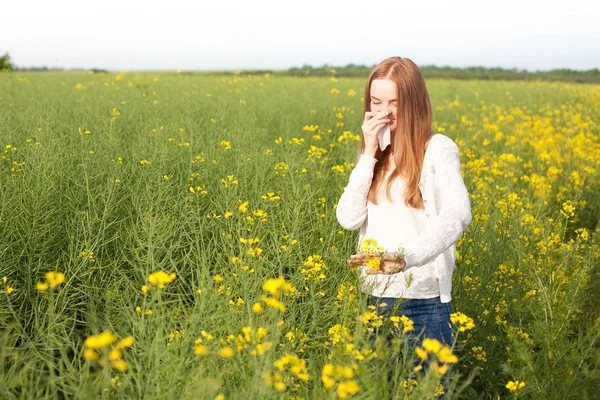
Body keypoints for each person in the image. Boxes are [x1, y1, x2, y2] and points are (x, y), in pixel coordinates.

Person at [335, 57, 472, 397]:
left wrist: (405, 257)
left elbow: (458, 213)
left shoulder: (437, 150)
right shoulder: (375, 154)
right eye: (376, 102)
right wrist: (367, 153)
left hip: (422, 303)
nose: (384, 111)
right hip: (373, 299)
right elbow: (347, 218)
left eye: (394, 103)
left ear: (415, 101)